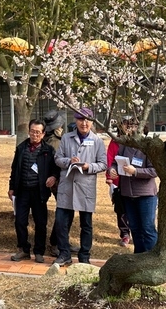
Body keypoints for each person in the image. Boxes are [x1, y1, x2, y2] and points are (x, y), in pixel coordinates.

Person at [53, 108, 107, 265]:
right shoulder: (66, 138)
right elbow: (58, 158)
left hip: (85, 186)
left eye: (88, 120)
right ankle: (64, 253)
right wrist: (69, 161)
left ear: (92, 122)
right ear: (75, 121)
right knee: (61, 222)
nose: (84, 123)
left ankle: (84, 256)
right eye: (81, 119)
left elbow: (103, 164)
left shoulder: (97, 141)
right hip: (67, 185)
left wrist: (88, 166)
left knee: (86, 224)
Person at [8, 119, 58, 264]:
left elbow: (55, 170)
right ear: (29, 131)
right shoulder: (21, 148)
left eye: (38, 132)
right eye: (32, 131)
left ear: (43, 134)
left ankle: (39, 251)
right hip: (22, 191)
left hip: (39, 192)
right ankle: (23, 249)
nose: (34, 134)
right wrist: (12, 187)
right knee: (20, 221)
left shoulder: (48, 151)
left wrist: (53, 177)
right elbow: (14, 169)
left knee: (40, 223)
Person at [109, 118, 158, 254]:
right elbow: (114, 162)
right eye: (129, 126)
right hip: (127, 194)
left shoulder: (149, 146)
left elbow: (155, 170)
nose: (131, 129)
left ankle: (151, 258)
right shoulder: (124, 145)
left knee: (147, 228)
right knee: (134, 228)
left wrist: (135, 171)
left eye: (135, 126)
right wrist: (111, 170)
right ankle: (138, 256)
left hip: (145, 195)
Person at [105, 117, 133, 247]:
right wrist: (109, 175)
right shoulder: (115, 142)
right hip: (118, 180)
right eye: (125, 125)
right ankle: (125, 234)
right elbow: (110, 159)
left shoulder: (138, 142)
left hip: (135, 181)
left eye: (131, 125)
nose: (128, 128)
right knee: (121, 209)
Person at [43, 110, 67, 257]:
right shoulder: (54, 141)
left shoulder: (54, 138)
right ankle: (56, 243)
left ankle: (61, 241)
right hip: (58, 181)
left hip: (58, 180)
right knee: (63, 213)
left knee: (65, 212)